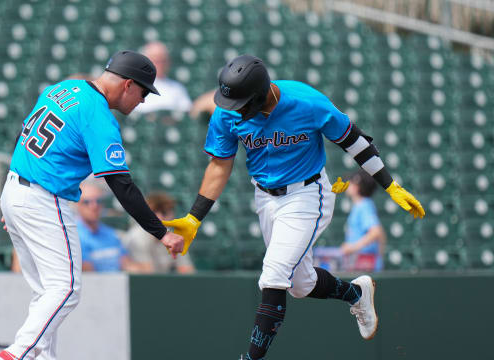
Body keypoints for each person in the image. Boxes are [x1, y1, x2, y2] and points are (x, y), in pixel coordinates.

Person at [162, 55, 425, 360]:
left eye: (240, 104)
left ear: (260, 96)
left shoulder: (307, 102)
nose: (231, 110)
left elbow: (355, 142)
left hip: (306, 194)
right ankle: (356, 293)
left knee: (273, 275)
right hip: (265, 198)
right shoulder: (227, 112)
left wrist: (389, 184)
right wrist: (195, 217)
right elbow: (220, 165)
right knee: (300, 284)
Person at [0, 50, 185, 360]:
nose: (143, 100)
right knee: (66, 289)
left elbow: (22, 135)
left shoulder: (62, 89)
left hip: (16, 188)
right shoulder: (98, 115)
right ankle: (15, 356)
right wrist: (161, 232)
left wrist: (13, 204)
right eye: (143, 91)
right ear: (127, 85)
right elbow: (120, 184)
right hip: (44, 198)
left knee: (47, 293)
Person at [123, 191, 195, 274]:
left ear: (172, 215)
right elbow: (148, 273)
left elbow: (187, 270)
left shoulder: (175, 238)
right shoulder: (137, 236)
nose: (159, 217)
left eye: (164, 212)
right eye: (154, 212)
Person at [76, 180, 138, 272]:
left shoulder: (110, 233)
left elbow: (126, 264)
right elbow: (88, 272)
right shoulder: (74, 235)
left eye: (98, 201)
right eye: (86, 202)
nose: (94, 206)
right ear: (77, 205)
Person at [340, 170, 386, 272]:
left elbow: (376, 232)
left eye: (350, 182)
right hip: (362, 264)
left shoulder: (364, 205)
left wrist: (352, 247)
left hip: (365, 265)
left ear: (357, 187)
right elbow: (381, 234)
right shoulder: (362, 205)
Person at [134, 41, 192, 113]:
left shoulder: (177, 88)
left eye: (163, 60)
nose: (160, 64)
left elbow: (186, 112)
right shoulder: (135, 86)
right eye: (155, 59)